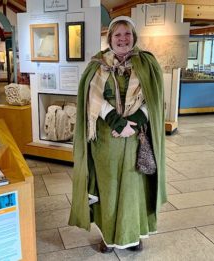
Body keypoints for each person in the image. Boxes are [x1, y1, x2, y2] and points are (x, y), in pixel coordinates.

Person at [68, 16, 166, 252]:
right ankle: (109, 237)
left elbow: (154, 98)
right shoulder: (97, 64)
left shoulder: (147, 63)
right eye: (117, 34)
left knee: (133, 188)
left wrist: (133, 122)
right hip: (106, 138)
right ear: (109, 38)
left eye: (127, 34)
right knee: (108, 188)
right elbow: (92, 98)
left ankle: (132, 235)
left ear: (134, 36)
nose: (122, 39)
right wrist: (115, 120)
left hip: (135, 138)